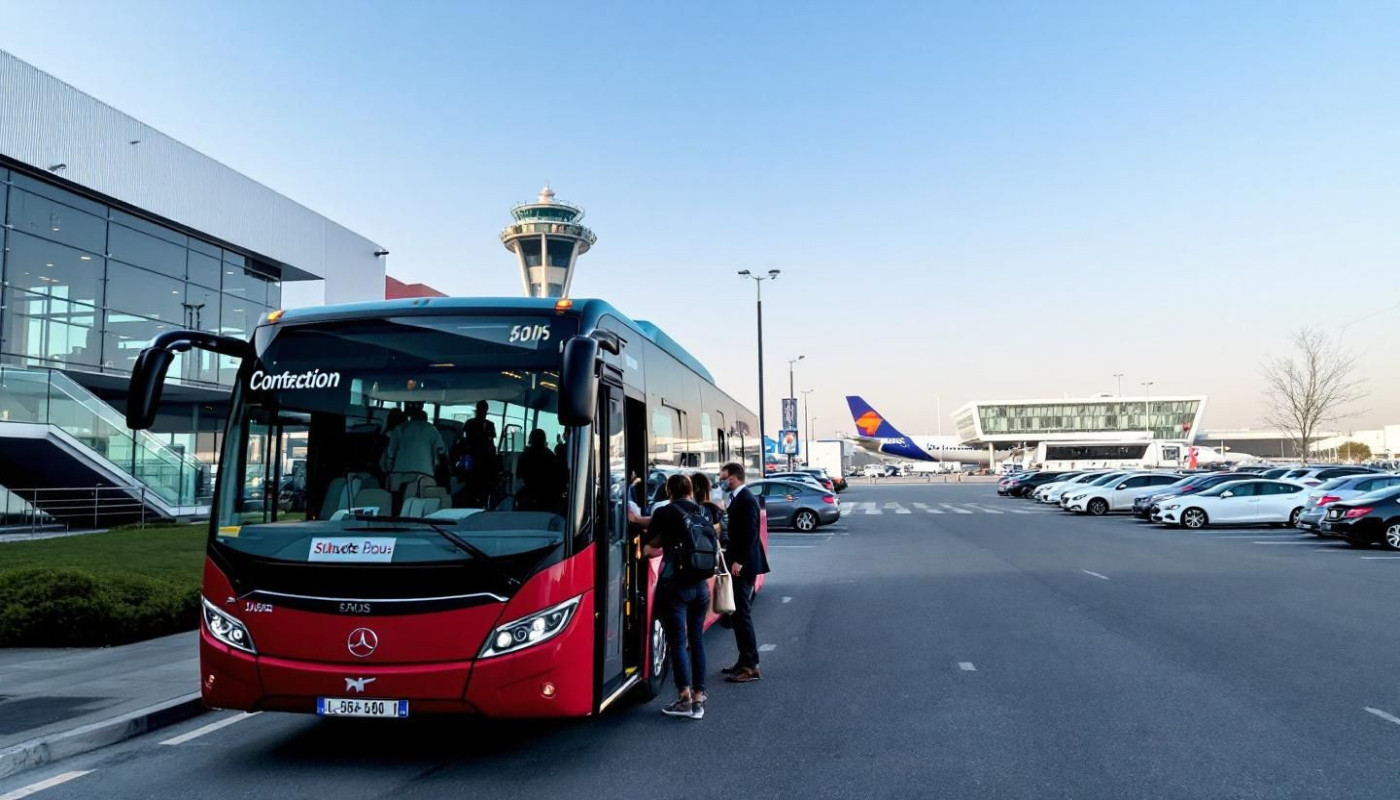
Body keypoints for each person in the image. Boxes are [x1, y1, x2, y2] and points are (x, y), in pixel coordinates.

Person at [643, 473, 713, 720]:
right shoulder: (702, 512)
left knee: (678, 642)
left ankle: (684, 698)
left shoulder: (665, 512)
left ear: (668, 491)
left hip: (676, 587)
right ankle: (699, 697)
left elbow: (650, 544)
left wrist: (648, 546)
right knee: (697, 640)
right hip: (701, 586)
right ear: (690, 490)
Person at [718, 461, 769, 683]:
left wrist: (739, 560)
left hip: (744, 565)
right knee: (738, 615)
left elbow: (750, 534)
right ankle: (743, 660)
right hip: (740, 562)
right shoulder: (738, 498)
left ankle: (751, 666)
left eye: (723, 478)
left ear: (733, 478)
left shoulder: (746, 499)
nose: (721, 481)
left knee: (742, 614)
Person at [383, 404, 447, 496]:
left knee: (397, 500)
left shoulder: (399, 428)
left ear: (411, 418)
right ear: (425, 419)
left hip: (399, 474)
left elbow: (391, 452)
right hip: (424, 475)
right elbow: (441, 451)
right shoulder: (432, 429)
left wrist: (389, 471)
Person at [517, 428, 563, 511]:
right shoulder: (550, 455)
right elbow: (557, 477)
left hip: (529, 495)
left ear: (530, 439)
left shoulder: (524, 456)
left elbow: (520, 477)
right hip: (548, 497)